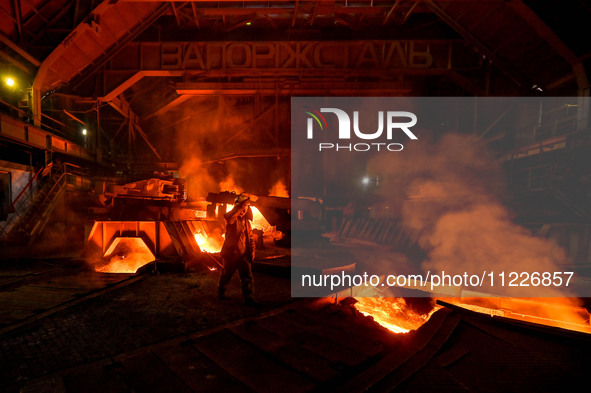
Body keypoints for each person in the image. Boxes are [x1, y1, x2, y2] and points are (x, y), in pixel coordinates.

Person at [217, 193, 258, 306]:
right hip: (231, 253)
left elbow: (250, 237)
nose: (246, 208)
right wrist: (240, 207)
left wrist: (252, 250)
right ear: (238, 207)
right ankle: (221, 292)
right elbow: (229, 217)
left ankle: (249, 298)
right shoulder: (232, 219)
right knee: (227, 274)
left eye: (247, 206)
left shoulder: (246, 221)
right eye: (244, 206)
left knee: (247, 277)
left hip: (244, 253)